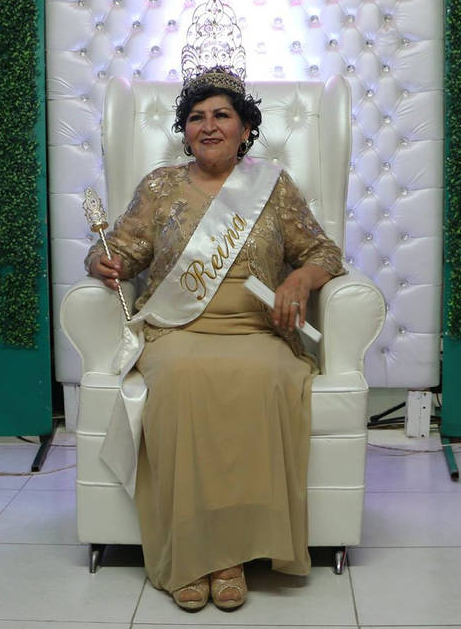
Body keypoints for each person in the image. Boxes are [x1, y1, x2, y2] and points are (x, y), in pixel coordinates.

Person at [86, 64, 345, 611]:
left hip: (257, 331)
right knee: (181, 380)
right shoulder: (160, 185)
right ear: (184, 131)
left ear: (245, 128)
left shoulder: (273, 185)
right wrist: (100, 261)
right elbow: (124, 251)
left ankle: (231, 557)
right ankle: (191, 555)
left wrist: (300, 279)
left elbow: (323, 251)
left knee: (265, 378)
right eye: (196, 117)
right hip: (177, 330)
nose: (208, 126)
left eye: (221, 115)